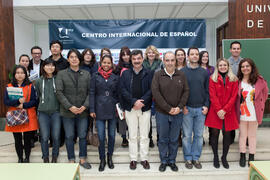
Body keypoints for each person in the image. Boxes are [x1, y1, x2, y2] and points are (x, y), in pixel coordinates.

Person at [152, 52, 189, 172]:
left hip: (177, 113)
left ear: (175, 61)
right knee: (163, 138)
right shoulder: (158, 75)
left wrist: (179, 107)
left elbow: (186, 92)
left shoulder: (181, 75)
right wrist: (168, 108)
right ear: (163, 61)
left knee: (174, 139)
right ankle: (163, 161)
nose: (170, 63)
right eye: (167, 60)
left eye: (172, 60)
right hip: (162, 113)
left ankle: (172, 161)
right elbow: (156, 93)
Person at [56, 48, 91, 169]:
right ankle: (71, 159)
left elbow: (90, 92)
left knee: (82, 135)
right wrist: (70, 106)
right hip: (67, 111)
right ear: (68, 59)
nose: (74, 59)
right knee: (69, 136)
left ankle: (82, 159)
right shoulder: (61, 74)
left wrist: (85, 106)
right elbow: (59, 92)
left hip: (82, 111)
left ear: (79, 59)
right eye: (71, 57)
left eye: (76, 57)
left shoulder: (86, 74)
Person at [120, 50, 153, 170]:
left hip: (145, 108)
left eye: (139, 58)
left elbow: (151, 90)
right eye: (134, 59)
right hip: (131, 108)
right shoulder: (125, 74)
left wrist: (141, 102)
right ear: (131, 60)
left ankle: (144, 158)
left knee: (144, 135)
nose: (136, 61)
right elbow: (122, 90)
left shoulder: (149, 73)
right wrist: (133, 102)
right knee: (132, 136)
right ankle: (133, 159)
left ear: (142, 59)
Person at [205, 58, 238, 169]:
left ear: (228, 66)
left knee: (227, 136)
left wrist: (225, 110)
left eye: (225, 65)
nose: (223, 67)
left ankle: (224, 157)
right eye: (220, 65)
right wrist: (219, 110)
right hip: (215, 111)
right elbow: (212, 96)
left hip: (228, 112)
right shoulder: (212, 79)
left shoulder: (234, 79)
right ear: (217, 67)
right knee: (214, 135)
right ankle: (215, 157)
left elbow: (234, 97)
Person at [236, 58, 268, 167]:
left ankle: (252, 156)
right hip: (241, 113)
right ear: (240, 69)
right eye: (243, 66)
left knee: (252, 136)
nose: (245, 68)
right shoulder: (237, 81)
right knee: (242, 135)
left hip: (254, 113)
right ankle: (242, 155)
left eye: (247, 66)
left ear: (252, 67)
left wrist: (260, 106)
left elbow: (264, 94)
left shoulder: (259, 80)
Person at [181, 47, 209, 169]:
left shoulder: (204, 72)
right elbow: (180, 92)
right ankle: (188, 158)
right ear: (188, 56)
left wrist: (206, 106)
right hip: (187, 109)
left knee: (198, 136)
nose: (194, 56)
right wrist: (182, 106)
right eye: (191, 54)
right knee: (187, 135)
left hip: (200, 110)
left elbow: (208, 91)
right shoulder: (182, 72)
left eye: (196, 54)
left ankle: (196, 158)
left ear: (198, 56)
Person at [90, 55, 119, 172]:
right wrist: (92, 109)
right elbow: (91, 93)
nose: (106, 65)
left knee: (112, 136)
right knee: (101, 136)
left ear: (112, 64)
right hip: (99, 109)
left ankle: (109, 156)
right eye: (104, 62)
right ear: (100, 63)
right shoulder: (95, 76)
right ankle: (102, 159)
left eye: (108, 63)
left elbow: (118, 94)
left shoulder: (115, 77)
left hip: (112, 109)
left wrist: (119, 109)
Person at [4, 65, 38, 163]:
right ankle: (20, 158)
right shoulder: (9, 86)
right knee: (17, 139)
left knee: (27, 139)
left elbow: (34, 101)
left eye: (22, 73)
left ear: (25, 75)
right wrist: (17, 101)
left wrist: (24, 105)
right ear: (14, 75)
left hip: (28, 114)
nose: (20, 75)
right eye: (17, 73)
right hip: (15, 116)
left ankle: (27, 158)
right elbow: (6, 101)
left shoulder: (30, 86)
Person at [35, 59, 61, 163]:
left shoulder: (58, 79)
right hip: (43, 112)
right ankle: (45, 157)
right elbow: (37, 95)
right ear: (43, 67)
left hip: (56, 112)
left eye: (52, 65)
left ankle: (55, 156)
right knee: (45, 136)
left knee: (55, 136)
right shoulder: (38, 81)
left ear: (55, 67)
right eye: (47, 65)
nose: (50, 67)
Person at [143, 45, 162, 148]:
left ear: (156, 54)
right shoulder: (143, 64)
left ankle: (159, 138)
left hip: (158, 93)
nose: (151, 54)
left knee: (159, 118)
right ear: (146, 54)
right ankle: (149, 138)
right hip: (147, 94)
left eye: (153, 52)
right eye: (149, 52)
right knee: (147, 119)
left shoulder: (160, 64)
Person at [115, 46, 131, 147]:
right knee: (122, 119)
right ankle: (124, 138)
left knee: (131, 119)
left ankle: (131, 137)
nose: (125, 57)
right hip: (120, 96)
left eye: (127, 54)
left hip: (131, 96)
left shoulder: (134, 66)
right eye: (123, 55)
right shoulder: (117, 68)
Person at [228, 41, 243, 145]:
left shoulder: (244, 62)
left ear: (240, 50)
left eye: (238, 48)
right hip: (230, 93)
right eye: (234, 48)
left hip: (242, 93)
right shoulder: (227, 62)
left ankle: (244, 137)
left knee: (243, 115)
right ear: (230, 50)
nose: (236, 50)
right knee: (231, 115)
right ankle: (231, 137)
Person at [175, 48, 187, 147]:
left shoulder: (188, 67)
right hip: (175, 98)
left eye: (182, 54)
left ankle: (185, 138)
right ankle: (178, 138)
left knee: (185, 122)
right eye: (178, 55)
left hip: (186, 97)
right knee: (177, 121)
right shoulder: (171, 68)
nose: (180, 56)